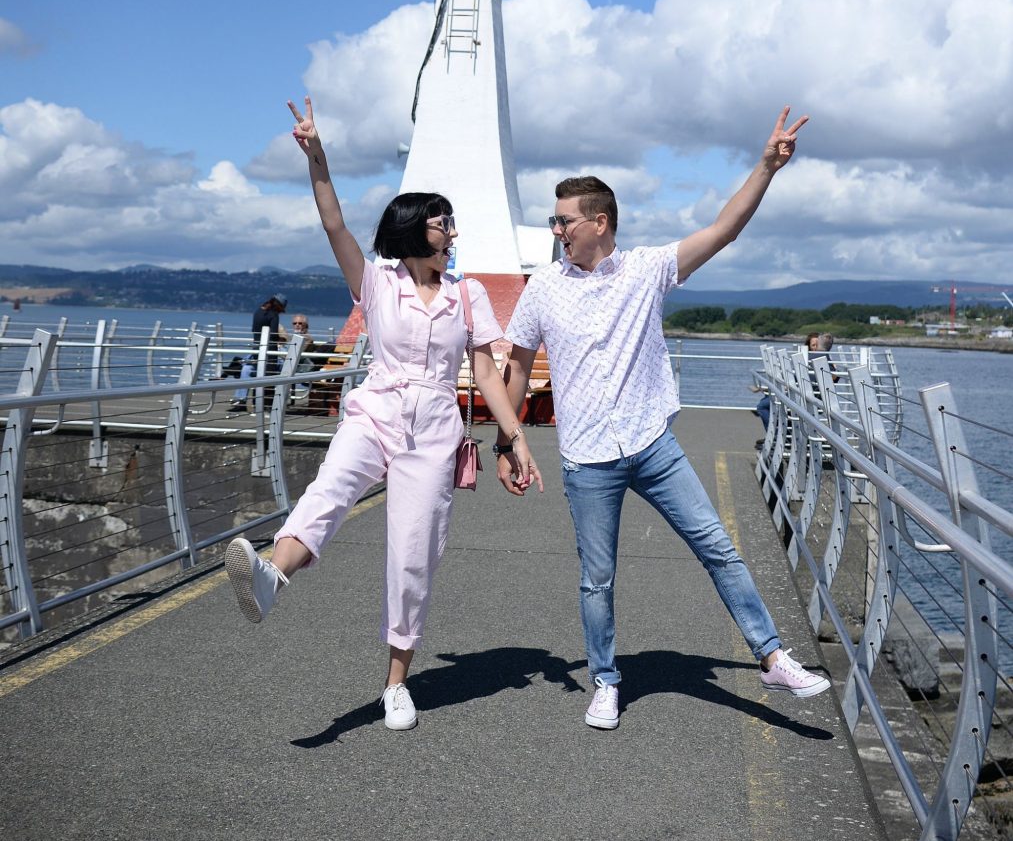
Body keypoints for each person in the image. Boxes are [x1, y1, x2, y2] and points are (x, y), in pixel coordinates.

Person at [497, 108, 830, 730]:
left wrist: (767, 166)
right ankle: (605, 681)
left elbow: (725, 229)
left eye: (563, 220)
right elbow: (516, 366)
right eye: (554, 220)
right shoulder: (542, 287)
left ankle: (772, 656)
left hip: (652, 444)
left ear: (599, 221)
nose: (556, 229)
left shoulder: (649, 269)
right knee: (597, 579)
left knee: (718, 548)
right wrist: (507, 441)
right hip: (588, 457)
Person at [224, 96, 541, 730]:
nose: (450, 230)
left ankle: (397, 682)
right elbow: (334, 224)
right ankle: (269, 577)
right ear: (412, 229)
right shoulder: (376, 282)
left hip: (434, 429)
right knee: (330, 489)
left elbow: (483, 371)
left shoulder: (467, 293)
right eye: (440, 222)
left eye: (451, 222)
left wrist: (515, 437)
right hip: (376, 409)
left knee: (413, 554)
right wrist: (318, 158)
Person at [227, 291, 289, 414]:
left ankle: (244, 401)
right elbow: (273, 334)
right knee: (270, 377)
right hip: (269, 352)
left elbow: (254, 330)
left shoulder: (258, 312)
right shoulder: (273, 315)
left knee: (251, 371)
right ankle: (267, 406)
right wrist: (280, 339)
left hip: (257, 350)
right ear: (279, 306)